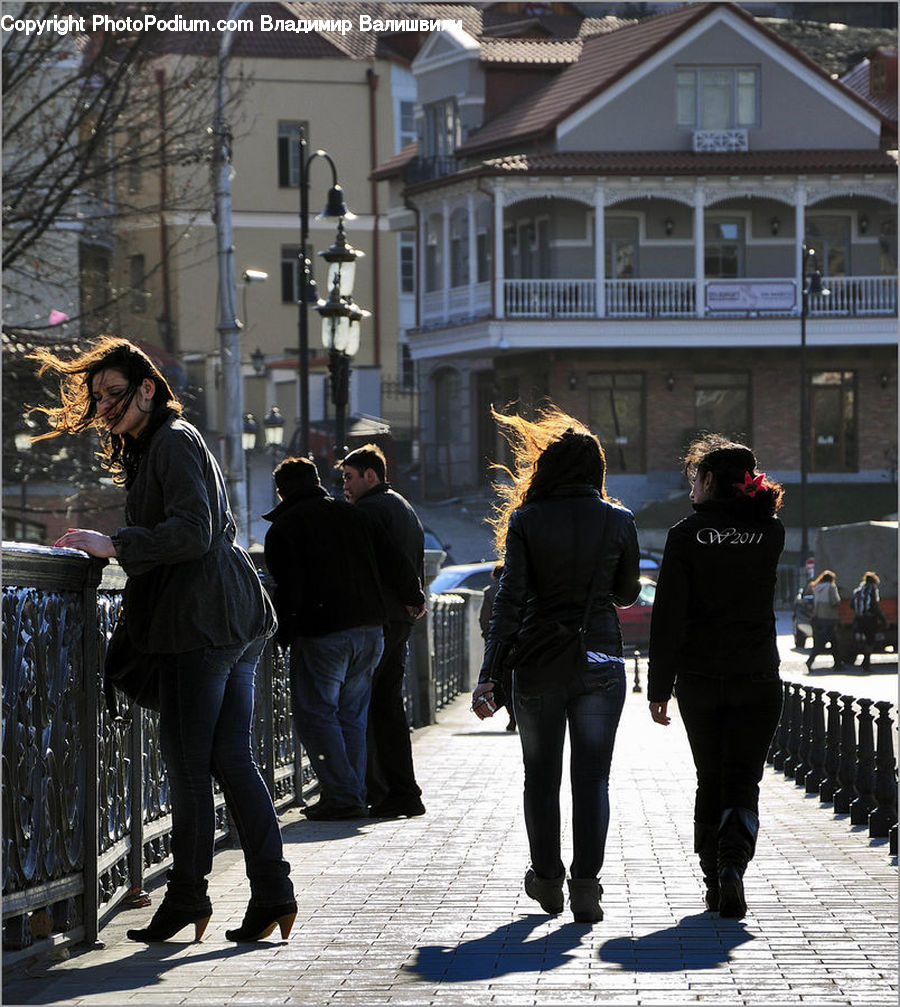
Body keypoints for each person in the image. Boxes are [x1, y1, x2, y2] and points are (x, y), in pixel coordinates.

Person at [32, 336, 295, 944]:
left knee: (187, 767)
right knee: (232, 759)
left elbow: (194, 531)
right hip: (234, 616)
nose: (104, 407)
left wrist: (115, 545)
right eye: (97, 397)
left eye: (114, 394)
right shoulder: (166, 442)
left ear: (148, 388)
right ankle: (273, 894)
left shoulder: (172, 441)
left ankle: (187, 897)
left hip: (200, 623)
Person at [472, 405, 640, 924]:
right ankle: (587, 885)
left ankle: (546, 878)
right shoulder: (619, 520)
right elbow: (628, 593)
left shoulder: (525, 521)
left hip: (540, 660)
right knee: (593, 779)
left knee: (539, 777)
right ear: (597, 470)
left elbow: (510, 601)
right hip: (600, 658)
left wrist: (490, 674)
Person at [647, 434, 785, 920]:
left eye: (694, 479)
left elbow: (668, 615)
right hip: (757, 677)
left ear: (708, 481)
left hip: (701, 678)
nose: (690, 489)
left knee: (711, 778)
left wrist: (658, 687)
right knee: (743, 780)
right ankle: (733, 868)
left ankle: (712, 877)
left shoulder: (686, 534)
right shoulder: (772, 533)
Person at [264, 456, 425, 821]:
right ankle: (353, 791)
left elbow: (290, 590)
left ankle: (342, 794)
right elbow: (394, 561)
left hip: (324, 632)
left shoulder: (284, 528)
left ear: (281, 492)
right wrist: (414, 597)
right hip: (371, 631)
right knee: (353, 715)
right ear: (318, 481)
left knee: (316, 715)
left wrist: (282, 633)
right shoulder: (355, 515)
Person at [340, 444, 427, 819]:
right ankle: (401, 791)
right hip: (400, 617)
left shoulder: (370, 510)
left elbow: (388, 563)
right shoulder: (400, 505)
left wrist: (410, 594)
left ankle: (389, 790)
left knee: (372, 706)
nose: (344, 485)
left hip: (382, 618)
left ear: (369, 476)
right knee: (388, 705)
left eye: (349, 477)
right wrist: (415, 597)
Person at [479, 562, 516, 732]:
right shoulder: (520, 586)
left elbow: (485, 620)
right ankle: (517, 713)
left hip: (499, 644)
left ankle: (511, 716)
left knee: (502, 680)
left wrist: (488, 639)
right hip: (520, 641)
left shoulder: (490, 592)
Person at [806, 570, 842, 670]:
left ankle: (838, 663)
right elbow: (835, 601)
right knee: (824, 641)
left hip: (819, 617)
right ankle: (810, 660)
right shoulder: (831, 587)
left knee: (832, 641)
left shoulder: (817, 588)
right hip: (830, 617)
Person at [852, 571, 884, 669]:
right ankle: (866, 664)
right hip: (870, 619)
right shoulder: (872, 590)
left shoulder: (858, 590)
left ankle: (864, 662)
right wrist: (883, 619)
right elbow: (875, 606)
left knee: (864, 641)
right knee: (870, 641)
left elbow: (851, 605)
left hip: (859, 619)